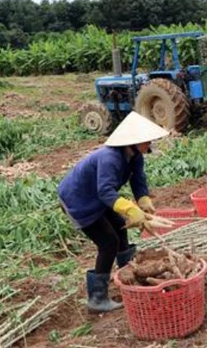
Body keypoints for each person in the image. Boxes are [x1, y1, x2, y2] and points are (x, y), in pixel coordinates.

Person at [57, 111, 169, 313]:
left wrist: (143, 200)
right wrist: (129, 209)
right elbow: (105, 191)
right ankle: (97, 298)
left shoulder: (134, 156)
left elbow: (138, 179)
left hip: (96, 198)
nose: (149, 145)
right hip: (78, 200)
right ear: (132, 141)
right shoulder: (110, 158)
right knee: (108, 242)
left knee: (119, 227)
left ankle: (128, 274)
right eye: (147, 141)